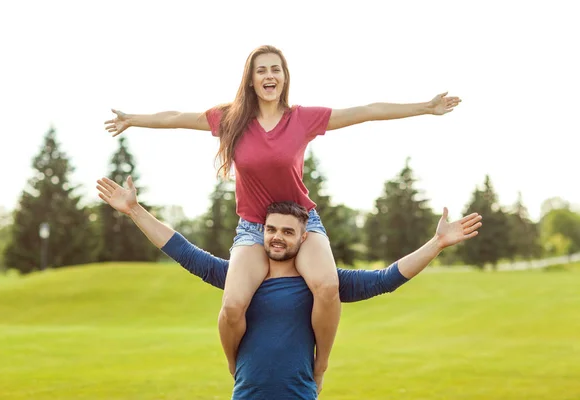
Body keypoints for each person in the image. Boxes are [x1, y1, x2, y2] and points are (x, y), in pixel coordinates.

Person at [103, 44, 462, 385]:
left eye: (276, 69)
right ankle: (235, 365)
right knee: (231, 306)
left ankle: (320, 366)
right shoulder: (231, 119)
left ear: (284, 77)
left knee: (327, 286)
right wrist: (132, 119)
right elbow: (177, 118)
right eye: (262, 70)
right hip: (253, 228)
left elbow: (365, 111)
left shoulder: (301, 119)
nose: (269, 75)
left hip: (302, 223)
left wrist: (426, 108)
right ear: (251, 79)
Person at [96, 176, 482, 399]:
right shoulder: (239, 278)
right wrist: (133, 209)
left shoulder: (322, 285)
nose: (277, 238)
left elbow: (387, 278)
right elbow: (180, 248)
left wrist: (437, 244)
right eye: (271, 230)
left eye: (287, 231)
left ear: (303, 237)